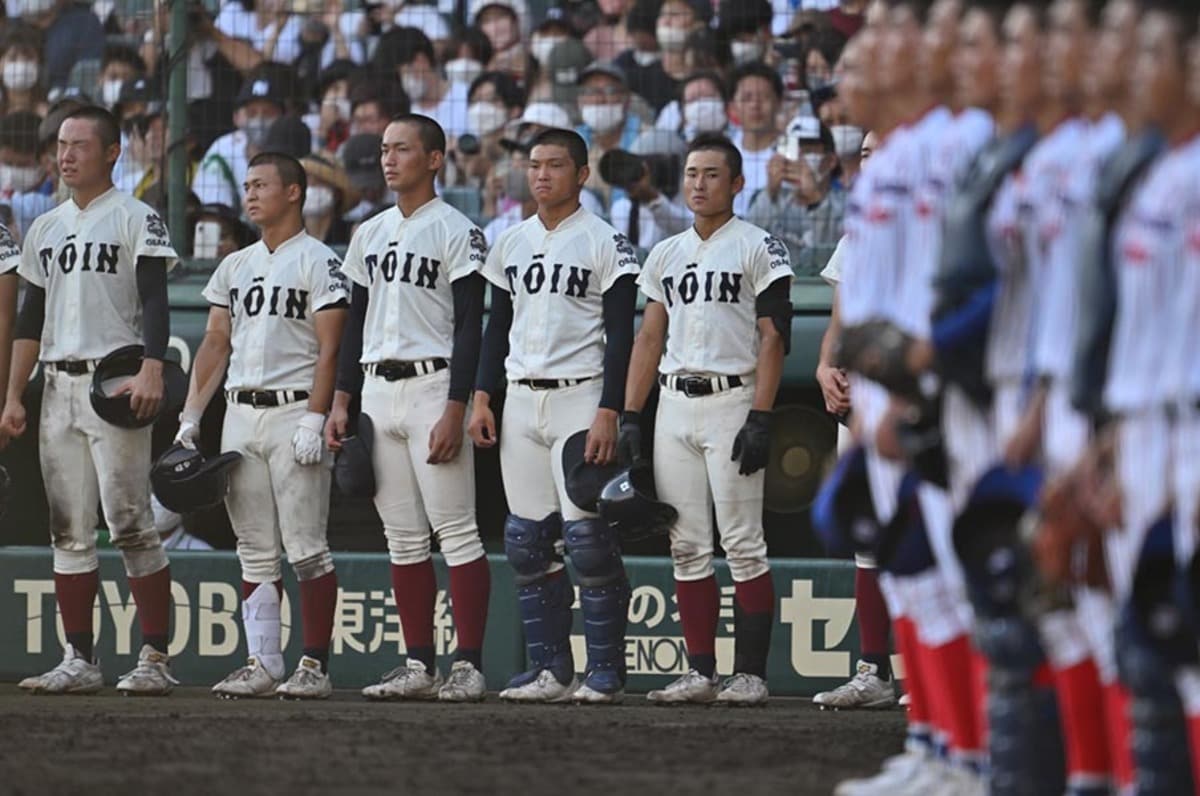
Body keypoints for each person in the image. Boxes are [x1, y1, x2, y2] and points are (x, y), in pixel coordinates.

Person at [3, 106, 178, 695]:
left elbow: (156, 299)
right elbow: (30, 315)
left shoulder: (136, 217)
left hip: (114, 384)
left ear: (111, 153)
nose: (66, 154)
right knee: (68, 529)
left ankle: (154, 656)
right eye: (60, 144)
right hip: (57, 386)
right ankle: (79, 658)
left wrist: (154, 366)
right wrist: (13, 395)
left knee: (129, 522)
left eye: (79, 144)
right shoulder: (46, 227)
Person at [619, 133, 792, 706]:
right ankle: (700, 671)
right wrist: (630, 415)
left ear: (737, 183)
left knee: (743, 545)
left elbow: (773, 337)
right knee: (686, 545)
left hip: (732, 400)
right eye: (692, 173)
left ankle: (750, 675)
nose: (698, 183)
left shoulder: (760, 246)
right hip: (673, 403)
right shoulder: (665, 252)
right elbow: (648, 338)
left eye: (712, 174)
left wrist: (761, 415)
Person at [469, 127, 639, 704]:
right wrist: (482, 396)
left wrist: (610, 409)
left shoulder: (605, 242)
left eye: (556, 165)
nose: (542, 175)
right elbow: (496, 328)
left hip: (579, 397)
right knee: (526, 541)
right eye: (535, 165)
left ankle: (605, 672)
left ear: (582, 174)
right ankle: (551, 671)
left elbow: (622, 337)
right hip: (519, 397)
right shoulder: (509, 242)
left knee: (588, 540)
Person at [328, 114, 492, 702]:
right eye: (384, 149)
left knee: (458, 532)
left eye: (402, 149)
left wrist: (457, 404)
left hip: (432, 386)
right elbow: (354, 325)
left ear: (434, 159)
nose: (389, 159)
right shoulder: (367, 232)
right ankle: (418, 664)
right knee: (401, 539)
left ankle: (468, 664)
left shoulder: (458, 230)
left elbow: (473, 324)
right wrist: (342, 399)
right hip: (377, 389)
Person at [179, 151, 349, 699]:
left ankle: (314, 666)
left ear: (294, 192)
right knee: (253, 547)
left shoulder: (319, 260)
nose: (250, 194)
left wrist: (316, 417)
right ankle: (263, 661)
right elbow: (214, 343)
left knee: (306, 546)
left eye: (261, 185)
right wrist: (190, 417)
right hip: (239, 412)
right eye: (247, 184)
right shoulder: (235, 264)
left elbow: (331, 350)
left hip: (293, 409)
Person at [747, 116, 845, 272]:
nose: (798, 158)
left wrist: (816, 200)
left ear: (831, 160)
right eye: (792, 150)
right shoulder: (765, 198)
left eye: (807, 151)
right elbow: (747, 249)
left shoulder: (847, 203)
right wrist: (771, 193)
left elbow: (831, 261)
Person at [192, 68, 288, 210]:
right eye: (252, 113)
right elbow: (212, 213)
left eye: (268, 113)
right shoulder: (222, 151)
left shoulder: (293, 147)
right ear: (236, 118)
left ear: (282, 118)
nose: (260, 119)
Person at [376, 27, 469, 139]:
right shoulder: (401, 116)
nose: (399, 83)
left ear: (420, 61)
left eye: (401, 74)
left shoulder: (468, 96)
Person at [729, 62, 785, 218]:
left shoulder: (791, 154)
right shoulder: (721, 154)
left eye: (764, 97)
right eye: (747, 98)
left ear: (779, 103)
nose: (755, 105)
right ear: (733, 106)